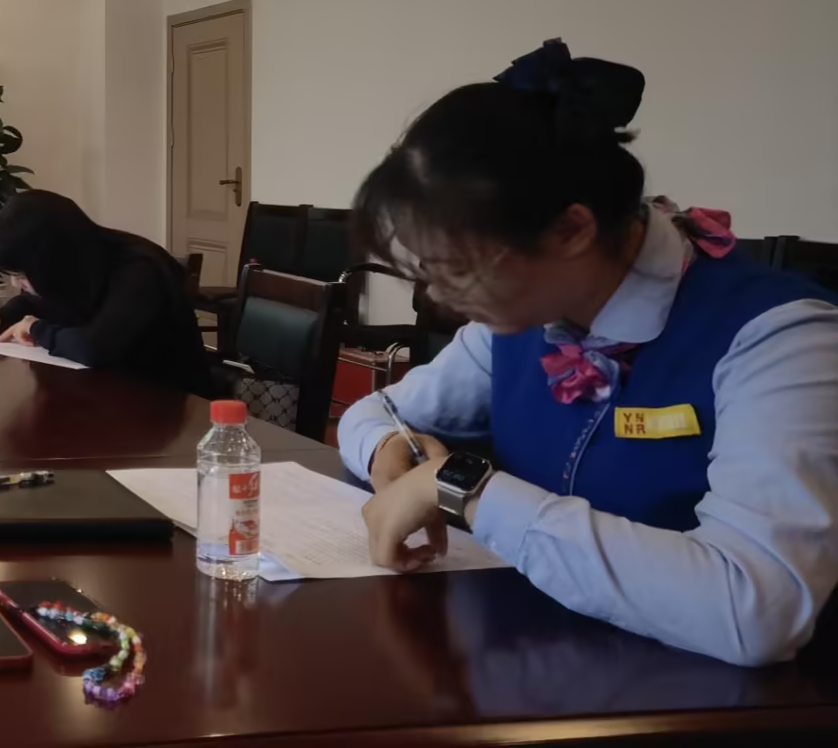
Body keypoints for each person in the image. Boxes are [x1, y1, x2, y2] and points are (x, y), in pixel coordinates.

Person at [339, 39, 838, 667]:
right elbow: (375, 413)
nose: (436, 295)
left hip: (718, 699)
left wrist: (468, 491)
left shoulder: (782, 338)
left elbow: (757, 610)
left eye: (457, 269)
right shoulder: (525, 318)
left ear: (571, 230)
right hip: (540, 665)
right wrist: (387, 448)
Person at [0, 190, 211, 395]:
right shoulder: (79, 267)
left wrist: (36, 329)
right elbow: (30, 303)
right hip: (107, 395)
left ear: (50, 260)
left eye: (22, 275)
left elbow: (96, 348)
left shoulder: (140, 270)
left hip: (166, 403)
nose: (16, 283)